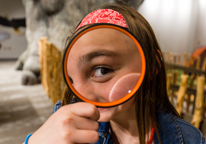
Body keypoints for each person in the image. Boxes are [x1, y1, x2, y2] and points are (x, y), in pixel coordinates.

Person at [23, 3, 206, 144]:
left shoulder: (189, 139)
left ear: (152, 65)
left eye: (102, 70)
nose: (82, 95)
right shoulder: (66, 125)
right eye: (72, 80)